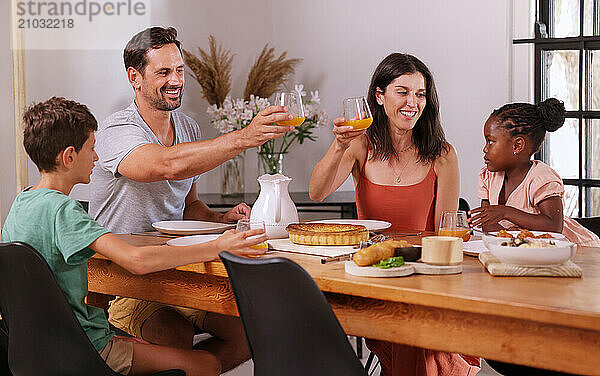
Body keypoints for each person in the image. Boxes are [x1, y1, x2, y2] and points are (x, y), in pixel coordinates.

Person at [1, 97, 267, 375]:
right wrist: (217, 246)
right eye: (92, 149)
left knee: (176, 353)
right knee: (207, 364)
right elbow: (137, 260)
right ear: (69, 156)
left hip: (49, 347)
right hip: (84, 349)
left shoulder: (22, 202)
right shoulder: (63, 209)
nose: (96, 157)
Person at [88, 26, 295, 372]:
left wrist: (218, 220)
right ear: (134, 77)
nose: (176, 80)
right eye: (164, 72)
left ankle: (197, 370)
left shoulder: (188, 129)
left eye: (180, 70)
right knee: (174, 336)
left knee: (256, 331)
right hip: (124, 277)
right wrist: (244, 137)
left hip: (181, 270)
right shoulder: (116, 130)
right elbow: (164, 166)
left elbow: (188, 206)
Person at [309, 53, 479, 375]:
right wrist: (338, 145)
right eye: (402, 92)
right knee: (410, 330)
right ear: (379, 96)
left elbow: (446, 232)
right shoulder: (361, 145)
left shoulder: (442, 154)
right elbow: (317, 192)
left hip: (425, 277)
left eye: (420, 94)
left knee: (415, 328)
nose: (412, 102)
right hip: (375, 277)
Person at [468, 98, 600, 246]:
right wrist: (511, 242)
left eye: (490, 141)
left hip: (578, 251)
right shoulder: (488, 176)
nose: (485, 149)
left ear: (517, 145)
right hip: (529, 251)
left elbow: (554, 226)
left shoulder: (541, 178)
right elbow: (488, 224)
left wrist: (505, 212)